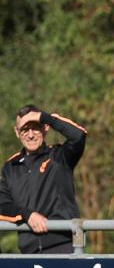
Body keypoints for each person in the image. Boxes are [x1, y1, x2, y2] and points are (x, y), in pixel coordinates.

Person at [0, 105, 87, 254]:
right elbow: (2, 204)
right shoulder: (10, 167)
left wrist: (45, 117)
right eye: (25, 130)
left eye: (35, 127)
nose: (31, 135)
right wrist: (27, 215)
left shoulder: (59, 156)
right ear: (17, 132)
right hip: (29, 252)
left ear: (45, 128)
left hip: (65, 245)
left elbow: (78, 135)